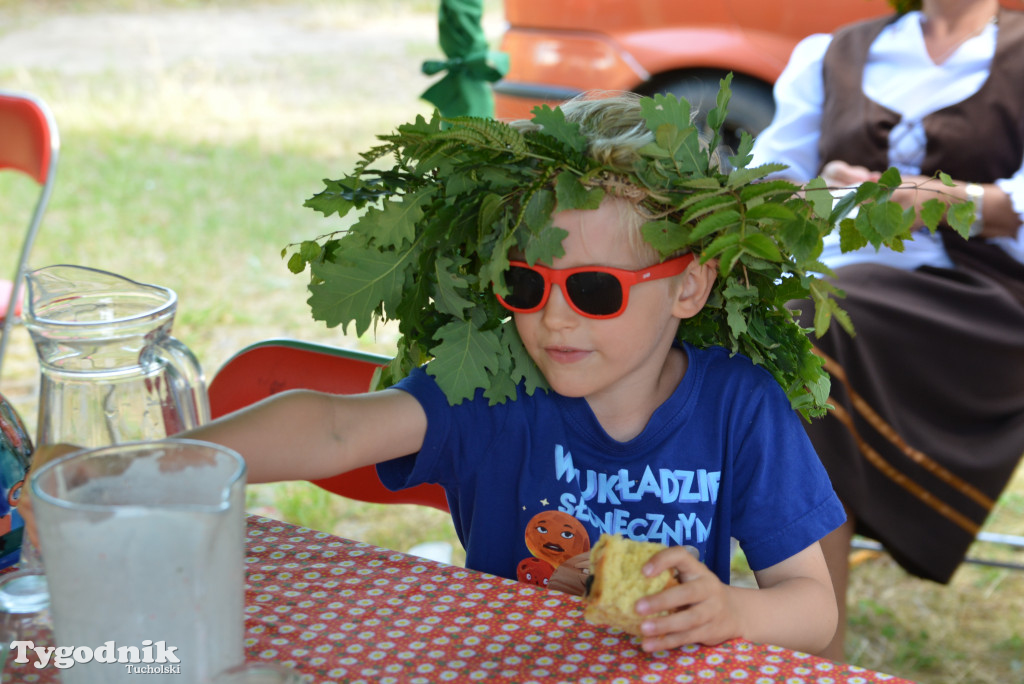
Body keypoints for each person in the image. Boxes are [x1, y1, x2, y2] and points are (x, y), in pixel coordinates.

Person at [23, 92, 851, 656]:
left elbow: (813, 608)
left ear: (690, 286)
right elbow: (335, 425)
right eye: (526, 284)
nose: (553, 318)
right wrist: (128, 472)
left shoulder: (739, 408)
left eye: (595, 290)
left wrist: (729, 610)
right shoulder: (498, 387)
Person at [749, 0, 1024, 662]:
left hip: (982, 298)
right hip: (838, 281)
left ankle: (812, 649)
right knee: (788, 330)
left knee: (811, 336)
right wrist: (824, 191)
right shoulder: (835, 50)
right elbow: (766, 179)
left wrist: (958, 204)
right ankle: (805, 640)